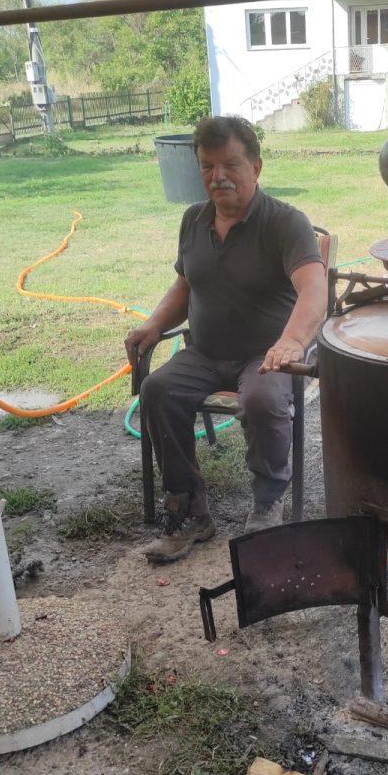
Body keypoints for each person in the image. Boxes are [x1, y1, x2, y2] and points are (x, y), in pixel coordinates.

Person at [125, 116, 328, 564]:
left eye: (230, 165)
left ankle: (267, 503)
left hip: (266, 354)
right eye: (207, 166)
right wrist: (155, 326)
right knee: (157, 390)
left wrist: (293, 341)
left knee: (261, 399)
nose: (218, 177)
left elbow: (315, 289)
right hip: (205, 352)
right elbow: (185, 285)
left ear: (255, 167)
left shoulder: (285, 223)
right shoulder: (193, 220)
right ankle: (189, 510)